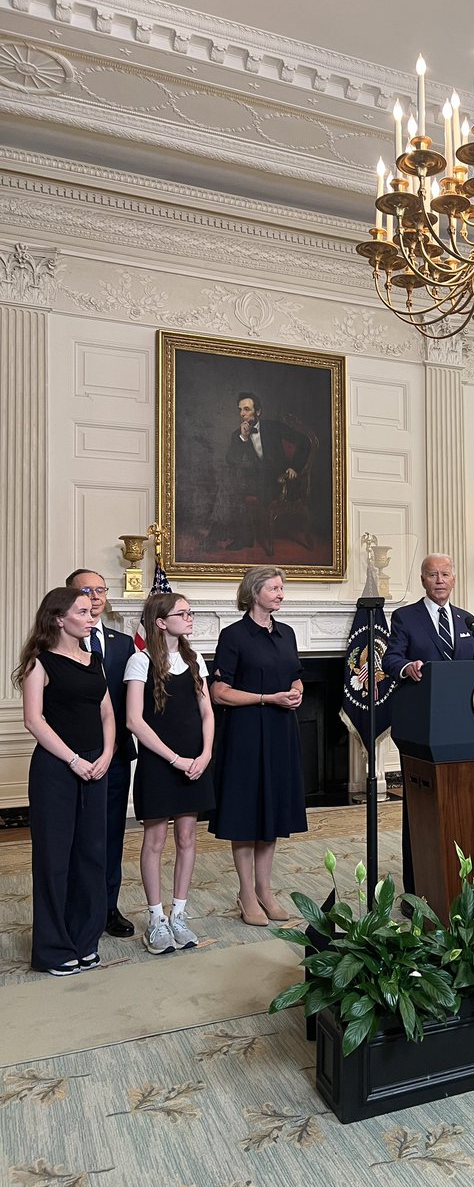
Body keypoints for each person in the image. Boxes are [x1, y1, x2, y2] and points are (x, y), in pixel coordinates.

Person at [14, 587, 115, 975]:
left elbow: (107, 713)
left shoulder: (95, 660)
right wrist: (73, 759)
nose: (92, 618)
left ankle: (85, 941)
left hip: (97, 766)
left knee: (92, 856)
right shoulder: (39, 663)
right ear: (59, 618)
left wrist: (106, 754)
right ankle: (54, 950)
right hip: (57, 769)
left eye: (92, 612)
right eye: (84, 612)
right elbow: (33, 720)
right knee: (55, 859)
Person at [210, 565, 307, 925]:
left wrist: (296, 691)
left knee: (272, 813)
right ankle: (246, 893)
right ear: (254, 593)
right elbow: (219, 692)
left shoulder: (287, 634)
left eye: (282, 588)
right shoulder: (233, 636)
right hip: (246, 734)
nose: (281, 594)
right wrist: (267, 698)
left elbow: (296, 676)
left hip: (282, 732)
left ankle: (266, 891)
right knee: (246, 815)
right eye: (274, 588)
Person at [383, 553, 474, 890]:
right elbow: (391, 658)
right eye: (432, 575)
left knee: (464, 805)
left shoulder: (466, 619)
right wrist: (407, 668)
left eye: (445, 574)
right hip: (423, 729)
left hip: (466, 729)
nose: (439, 580)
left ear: (454, 579)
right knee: (423, 809)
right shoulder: (405, 617)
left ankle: (463, 884)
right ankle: (419, 888)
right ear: (423, 581)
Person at [125, 591, 215, 954]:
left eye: (191, 612)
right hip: (161, 764)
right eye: (183, 613)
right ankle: (156, 918)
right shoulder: (139, 661)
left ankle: (179, 913)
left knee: (188, 839)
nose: (190, 618)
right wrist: (175, 759)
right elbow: (134, 720)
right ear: (161, 622)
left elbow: (207, 713)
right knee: (156, 840)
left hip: (195, 761)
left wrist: (206, 754)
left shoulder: (196, 661)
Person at [66, 568, 137, 939]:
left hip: (117, 754)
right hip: (71, 754)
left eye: (100, 590)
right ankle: (77, 908)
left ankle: (109, 908)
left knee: (111, 834)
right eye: (86, 590)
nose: (95, 597)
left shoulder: (123, 643)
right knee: (77, 835)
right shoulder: (59, 642)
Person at [206, 393, 312, 551]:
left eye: (247, 409)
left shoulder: (273, 427)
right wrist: (243, 437)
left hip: (278, 481)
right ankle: (229, 534)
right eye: (240, 409)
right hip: (252, 482)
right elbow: (232, 461)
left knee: (230, 484)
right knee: (229, 481)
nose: (242, 413)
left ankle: (230, 534)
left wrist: (295, 467)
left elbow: (304, 442)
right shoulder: (238, 434)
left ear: (258, 412)